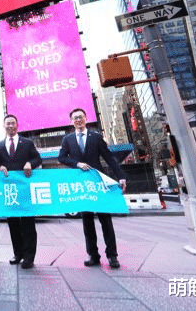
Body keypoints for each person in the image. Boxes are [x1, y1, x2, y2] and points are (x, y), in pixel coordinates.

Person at [58, 107, 127, 269]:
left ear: (86, 119)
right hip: (82, 185)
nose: (78, 120)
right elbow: (61, 157)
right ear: (71, 121)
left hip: (98, 183)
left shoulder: (96, 137)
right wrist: (77, 164)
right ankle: (93, 255)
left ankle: (112, 256)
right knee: (87, 221)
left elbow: (109, 158)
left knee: (106, 220)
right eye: (75, 118)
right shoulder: (67, 139)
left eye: (80, 117)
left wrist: (121, 176)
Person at [0, 114, 42, 269]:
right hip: (9, 190)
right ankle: (18, 254)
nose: (10, 126)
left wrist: (30, 163)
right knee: (13, 224)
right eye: (7, 123)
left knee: (28, 224)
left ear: (17, 125)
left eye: (13, 123)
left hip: (25, 190)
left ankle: (29, 257)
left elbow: (38, 159)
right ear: (4, 126)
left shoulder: (27, 143)